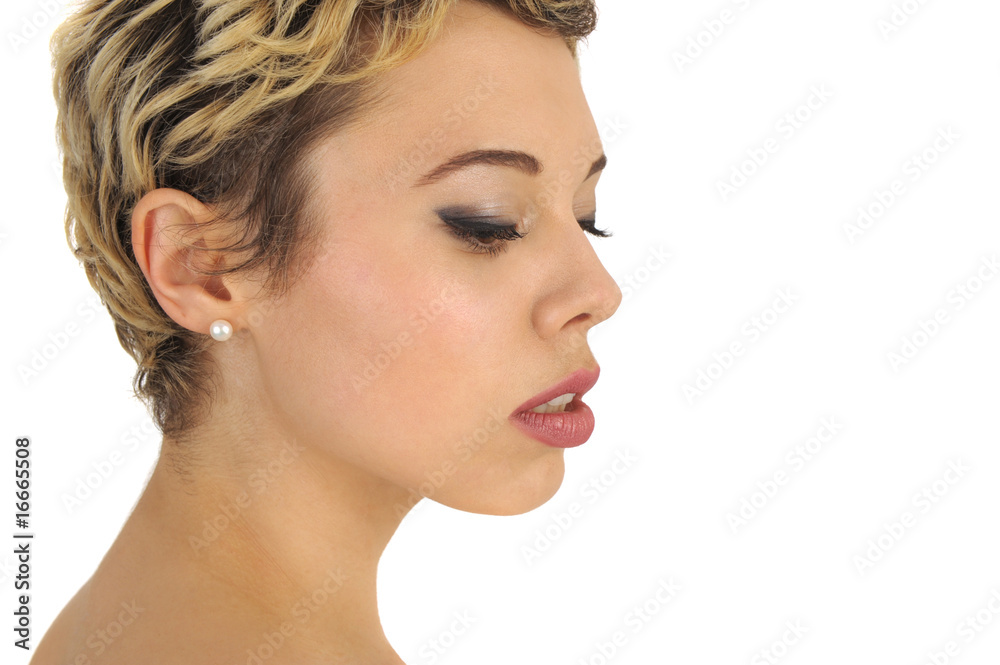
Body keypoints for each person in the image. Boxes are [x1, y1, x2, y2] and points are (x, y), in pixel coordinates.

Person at [35, 0, 621, 662]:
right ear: (201, 266)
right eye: (487, 222)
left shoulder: (113, 622)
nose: (599, 293)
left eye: (585, 217)